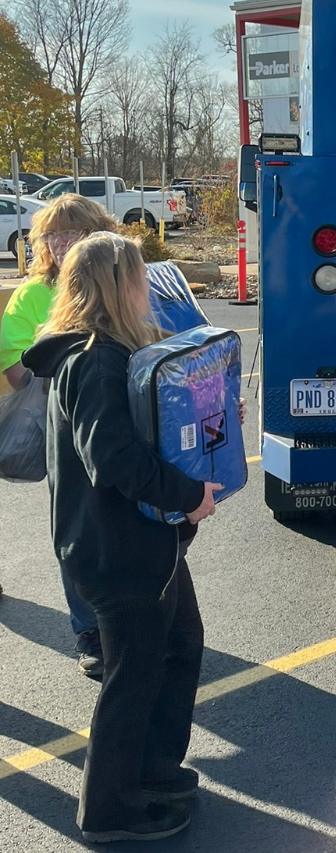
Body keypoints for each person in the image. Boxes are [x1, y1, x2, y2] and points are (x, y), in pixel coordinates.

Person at [23, 233, 220, 843]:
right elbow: (111, 458)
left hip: (133, 542)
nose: (146, 290)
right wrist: (188, 495)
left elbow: (141, 435)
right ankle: (108, 811)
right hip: (119, 549)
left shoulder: (105, 352)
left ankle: (153, 770)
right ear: (117, 285)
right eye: (138, 277)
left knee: (179, 645)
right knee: (134, 675)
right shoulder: (95, 359)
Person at [0, 194, 120, 678]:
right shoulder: (34, 294)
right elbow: (13, 363)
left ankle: (141, 621)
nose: (61, 242)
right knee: (78, 534)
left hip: (122, 424)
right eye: (52, 234)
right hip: (65, 433)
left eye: (73, 231)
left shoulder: (122, 278)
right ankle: (89, 630)